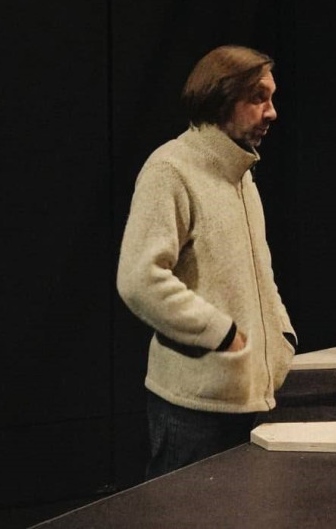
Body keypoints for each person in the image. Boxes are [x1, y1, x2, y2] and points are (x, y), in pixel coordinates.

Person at [117, 45, 297, 479]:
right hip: (193, 407)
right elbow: (140, 278)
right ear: (220, 99)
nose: (271, 112)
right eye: (258, 98)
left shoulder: (242, 175)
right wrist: (222, 334)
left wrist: (281, 337)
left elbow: (261, 272)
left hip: (249, 396)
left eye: (272, 98)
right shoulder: (171, 169)